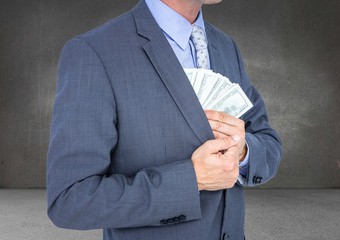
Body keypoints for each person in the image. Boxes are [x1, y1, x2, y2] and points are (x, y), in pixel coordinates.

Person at [47, 0, 282, 239]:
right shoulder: (93, 52)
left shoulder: (225, 46)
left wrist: (243, 152)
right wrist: (191, 181)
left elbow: (267, 142)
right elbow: (69, 200)